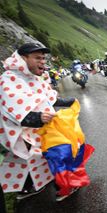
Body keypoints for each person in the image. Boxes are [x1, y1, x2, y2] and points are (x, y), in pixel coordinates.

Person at [0, 43, 77, 201]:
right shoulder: (8, 80)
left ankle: (34, 186)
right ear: (23, 58)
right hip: (22, 132)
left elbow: (46, 99)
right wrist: (37, 118)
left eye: (43, 58)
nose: (42, 61)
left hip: (40, 130)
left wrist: (66, 102)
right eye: (37, 58)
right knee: (50, 154)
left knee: (43, 155)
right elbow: (11, 108)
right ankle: (63, 185)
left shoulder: (35, 77)